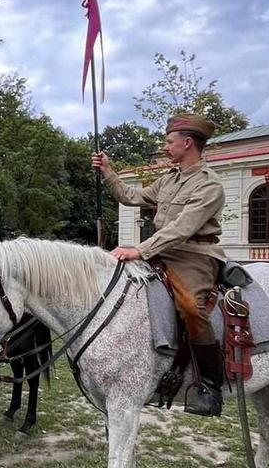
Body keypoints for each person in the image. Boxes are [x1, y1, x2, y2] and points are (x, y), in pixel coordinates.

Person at [92, 113, 225, 415]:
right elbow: (130, 196)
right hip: (160, 251)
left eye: (169, 142)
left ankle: (210, 385)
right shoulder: (169, 179)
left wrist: (139, 250)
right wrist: (108, 171)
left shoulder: (209, 186)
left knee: (191, 307)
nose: (165, 147)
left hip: (194, 256)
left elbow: (181, 229)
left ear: (187, 143)